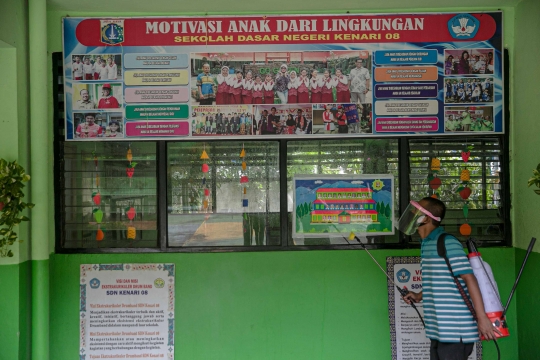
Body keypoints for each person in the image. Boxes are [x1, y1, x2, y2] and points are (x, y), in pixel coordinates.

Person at [400, 197, 499, 360]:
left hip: (455, 330)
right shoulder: (426, 243)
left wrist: (482, 319)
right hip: (438, 330)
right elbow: (440, 281)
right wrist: (419, 295)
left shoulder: (447, 242)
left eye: (416, 210)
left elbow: (469, 279)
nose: (412, 213)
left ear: (425, 218)